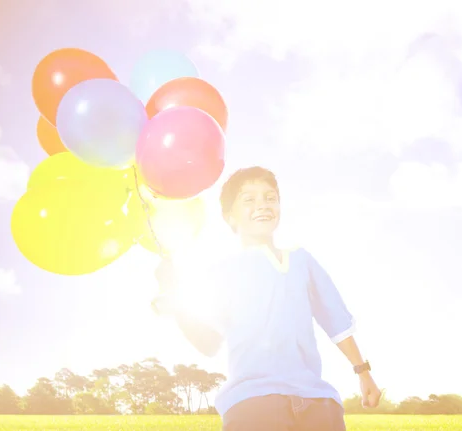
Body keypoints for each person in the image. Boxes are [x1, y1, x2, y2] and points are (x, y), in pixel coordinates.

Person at [153, 166, 382, 430]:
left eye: (270, 198)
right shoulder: (222, 272)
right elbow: (209, 343)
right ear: (230, 216)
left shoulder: (301, 259)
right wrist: (175, 300)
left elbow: (336, 321)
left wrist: (363, 372)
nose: (262, 205)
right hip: (253, 403)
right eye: (248, 199)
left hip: (317, 400)